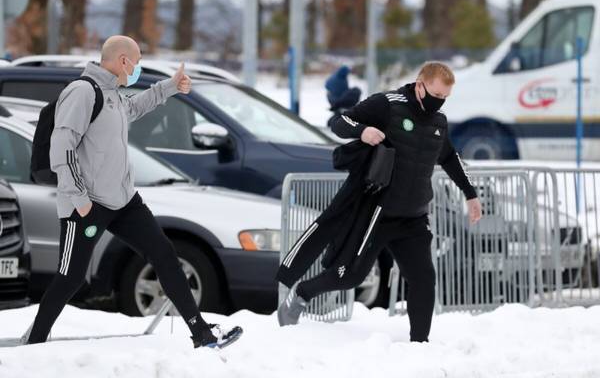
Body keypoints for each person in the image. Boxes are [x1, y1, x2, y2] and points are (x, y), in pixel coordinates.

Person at [26, 35, 242, 349]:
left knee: (165, 255)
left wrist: (169, 86)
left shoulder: (113, 95)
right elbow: (62, 148)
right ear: (123, 60)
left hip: (124, 202)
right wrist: (81, 200)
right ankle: (34, 344)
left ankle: (201, 333)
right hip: (86, 205)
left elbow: (137, 107)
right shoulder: (83, 92)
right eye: (137, 62)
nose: (137, 68)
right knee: (70, 277)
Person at [277, 61, 483, 342]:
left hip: (414, 216)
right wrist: (362, 131)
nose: (439, 103)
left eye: (445, 98)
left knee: (424, 280)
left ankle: (419, 345)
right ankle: (303, 293)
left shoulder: (438, 122)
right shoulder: (388, 104)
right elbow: (340, 121)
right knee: (348, 277)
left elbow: (449, 157)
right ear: (420, 85)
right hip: (376, 214)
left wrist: (470, 193)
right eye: (436, 95)